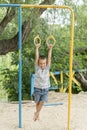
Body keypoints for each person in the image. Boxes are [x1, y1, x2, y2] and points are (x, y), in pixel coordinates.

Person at [33, 43, 53, 121]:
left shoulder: (47, 68)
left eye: (44, 63)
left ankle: (36, 113)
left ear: (46, 63)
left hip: (45, 88)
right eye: (41, 63)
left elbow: (49, 58)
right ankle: (38, 114)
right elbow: (36, 57)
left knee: (42, 102)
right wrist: (37, 48)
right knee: (37, 102)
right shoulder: (37, 68)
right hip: (37, 88)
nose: (42, 65)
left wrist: (50, 49)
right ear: (38, 63)